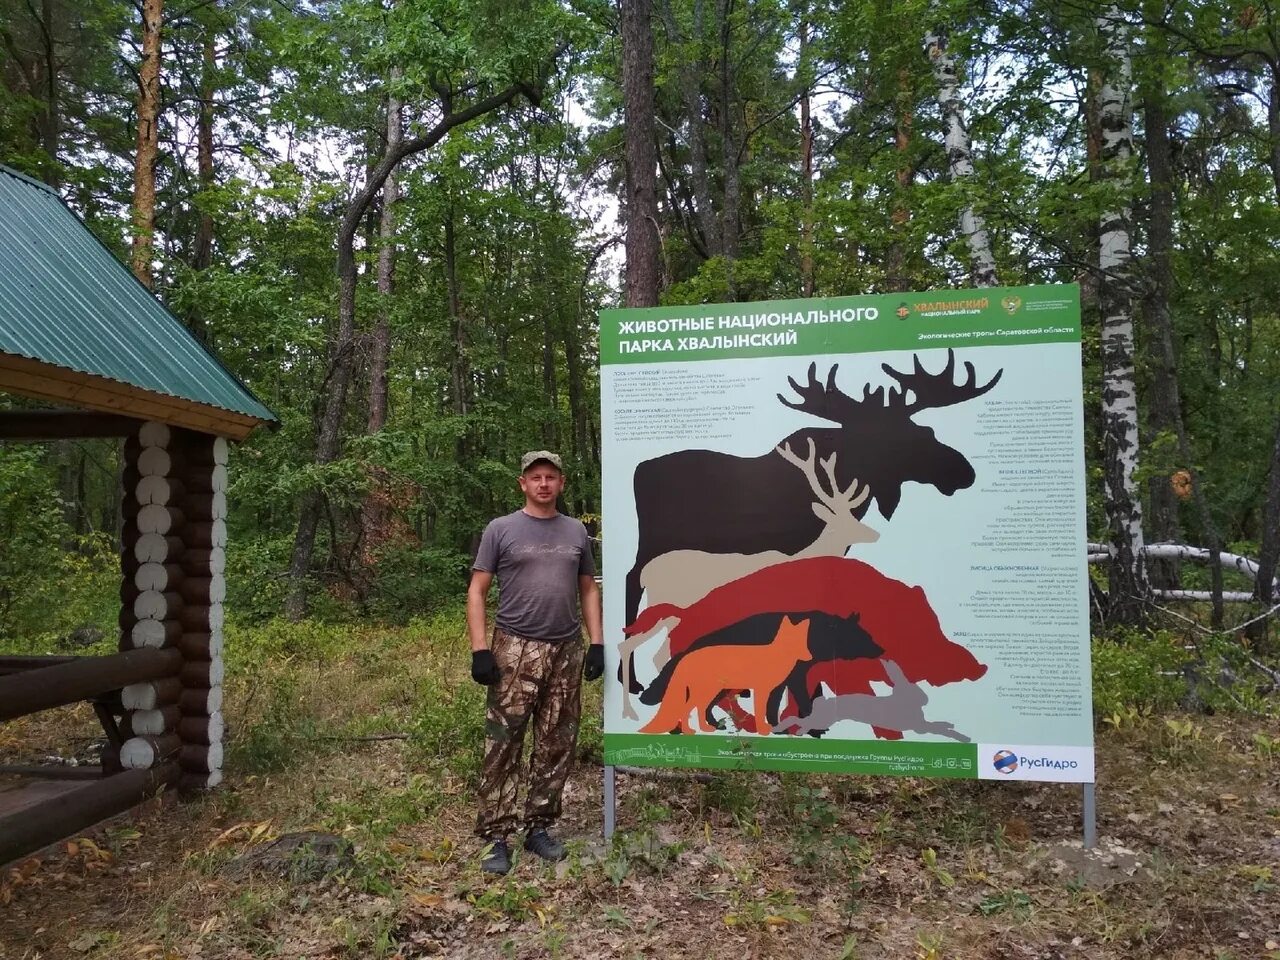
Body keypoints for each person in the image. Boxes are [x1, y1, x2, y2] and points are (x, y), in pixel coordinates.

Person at [467, 450, 604, 875]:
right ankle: (496, 835)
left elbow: (588, 590)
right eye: (535, 477)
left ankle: (539, 826)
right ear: (522, 484)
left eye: (551, 477)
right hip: (515, 648)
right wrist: (480, 650)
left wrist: (596, 642)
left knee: (557, 741)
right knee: (504, 741)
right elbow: (477, 591)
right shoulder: (501, 530)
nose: (543, 483)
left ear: (561, 483)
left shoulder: (576, 532)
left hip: (565, 648)